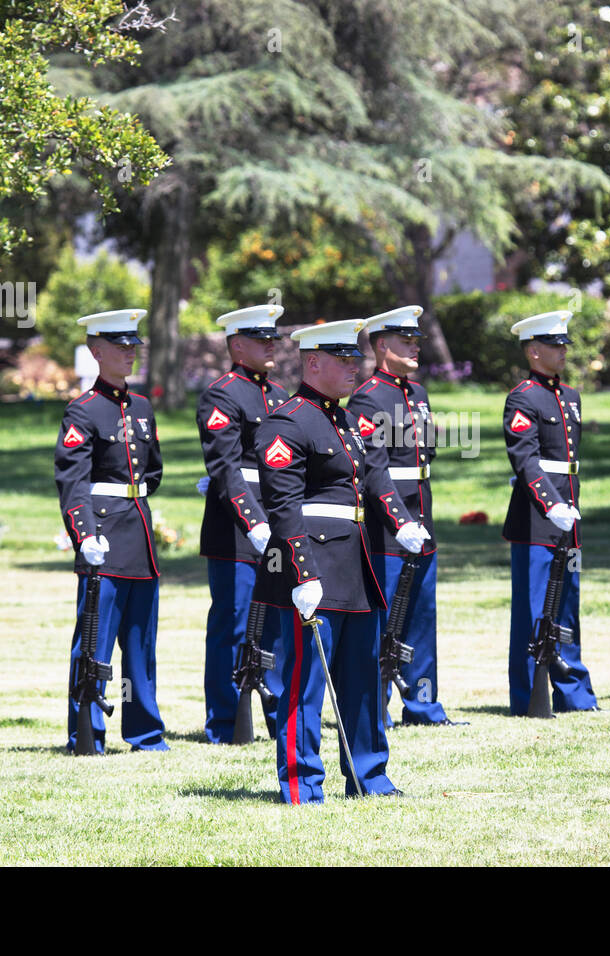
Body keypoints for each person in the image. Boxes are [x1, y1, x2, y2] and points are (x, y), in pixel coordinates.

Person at [254, 319, 431, 803]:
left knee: (363, 680)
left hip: (356, 563)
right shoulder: (288, 422)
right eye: (343, 358)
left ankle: (368, 775)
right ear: (313, 362)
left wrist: (402, 522)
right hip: (312, 565)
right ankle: (302, 782)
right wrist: (301, 570)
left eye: (356, 357)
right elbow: (285, 506)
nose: (355, 367)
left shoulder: (352, 422)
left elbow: (377, 480)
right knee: (306, 682)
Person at [55, 309, 168, 752]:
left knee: (142, 642)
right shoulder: (82, 411)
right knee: (93, 640)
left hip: (138, 533)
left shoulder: (141, 407)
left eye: (133, 345)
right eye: (120, 347)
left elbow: (152, 471)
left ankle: (145, 730)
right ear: (95, 351)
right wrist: (84, 533)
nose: (130, 353)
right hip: (101, 534)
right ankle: (86, 730)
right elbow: (72, 480)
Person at [346, 305, 459, 727]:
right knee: (384, 621)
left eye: (416, 339)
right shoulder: (367, 397)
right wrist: (400, 522)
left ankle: (424, 705)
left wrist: (420, 521)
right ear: (381, 345)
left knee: (422, 618)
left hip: (422, 518)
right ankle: (375, 709)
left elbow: (423, 457)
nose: (414, 346)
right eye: (405, 339)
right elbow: (373, 470)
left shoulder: (418, 393)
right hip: (387, 528)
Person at [196, 304, 288, 743]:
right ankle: (226, 720)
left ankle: (277, 713)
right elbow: (227, 469)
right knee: (233, 623)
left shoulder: (281, 396)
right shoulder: (223, 394)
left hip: (278, 522)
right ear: (236, 345)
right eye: (260, 339)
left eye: (273, 337)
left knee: (276, 622)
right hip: (236, 528)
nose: (271, 344)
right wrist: (253, 521)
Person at [502, 311, 597, 716]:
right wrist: (551, 502)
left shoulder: (570, 396)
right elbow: (525, 459)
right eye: (554, 346)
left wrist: (566, 505)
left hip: (567, 516)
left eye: (564, 345)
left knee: (567, 608)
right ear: (534, 351)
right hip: (536, 518)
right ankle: (528, 698)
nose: (562, 352)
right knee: (534, 609)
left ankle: (575, 694)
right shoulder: (522, 397)